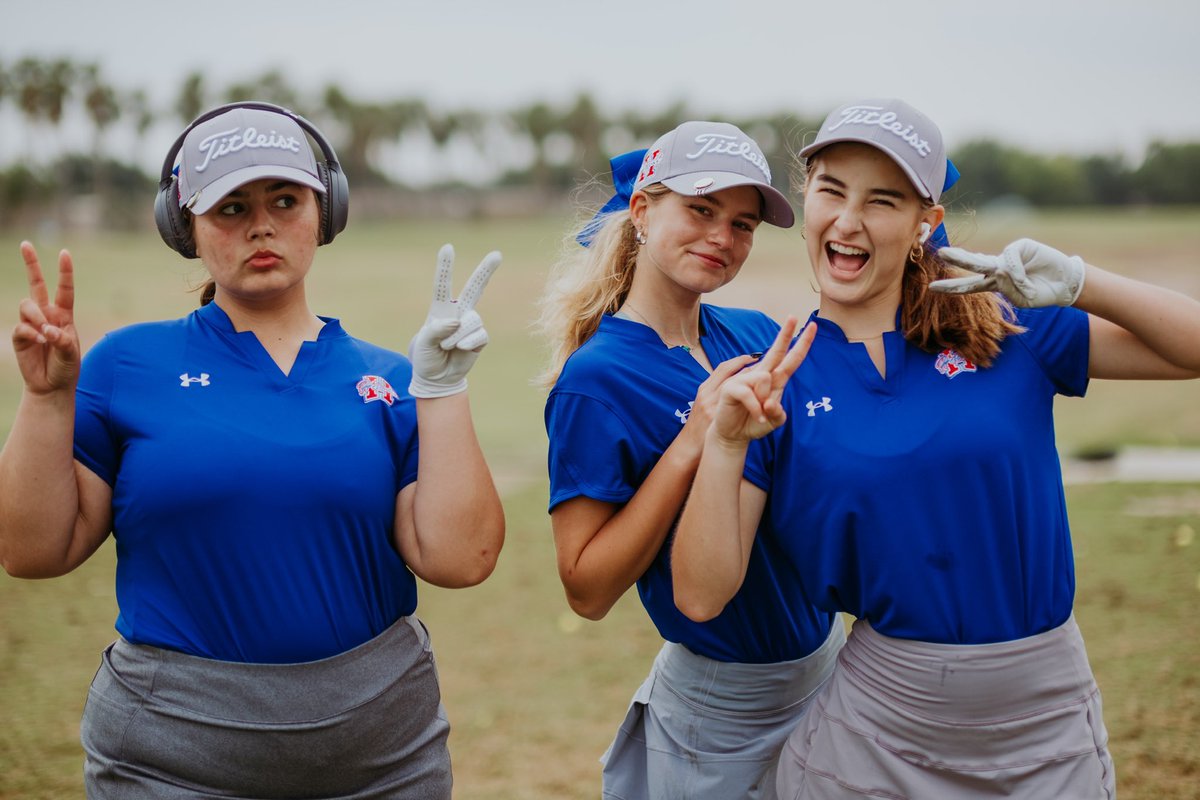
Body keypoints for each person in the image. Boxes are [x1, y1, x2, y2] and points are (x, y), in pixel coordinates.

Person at [671, 97, 1200, 799]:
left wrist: (1080, 283)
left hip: (1044, 716)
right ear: (807, 198)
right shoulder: (778, 378)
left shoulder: (1008, 329)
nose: (849, 220)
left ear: (927, 223)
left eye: (883, 201)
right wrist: (726, 446)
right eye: (832, 190)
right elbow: (701, 596)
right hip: (881, 726)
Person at [0, 101, 506, 799]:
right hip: (170, 757)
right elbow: (31, 551)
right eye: (231, 208)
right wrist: (47, 398)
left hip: (379, 758)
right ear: (185, 227)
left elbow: (461, 559)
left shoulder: (392, 379)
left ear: (326, 211)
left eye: (284, 199)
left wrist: (442, 390)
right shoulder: (125, 364)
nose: (261, 224)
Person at [538, 121, 843, 800]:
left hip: (827, 677)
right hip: (721, 710)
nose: (722, 238)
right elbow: (586, 590)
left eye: (742, 224)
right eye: (701, 211)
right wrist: (693, 442)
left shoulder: (756, 333)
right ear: (643, 210)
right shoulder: (597, 379)